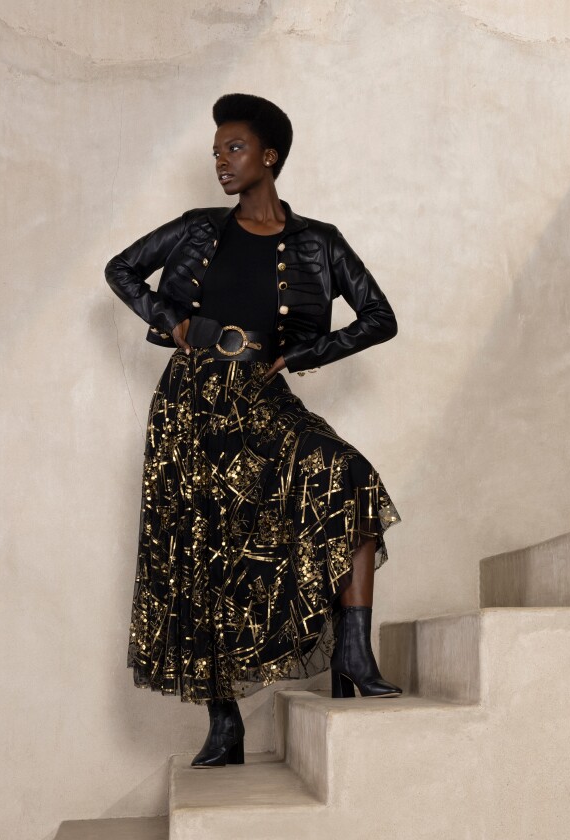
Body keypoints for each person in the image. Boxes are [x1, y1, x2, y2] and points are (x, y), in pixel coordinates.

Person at [105, 93, 402, 770]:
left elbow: (378, 315)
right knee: (201, 550)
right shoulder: (196, 229)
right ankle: (223, 724)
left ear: (269, 157)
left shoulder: (317, 242)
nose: (221, 161)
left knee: (347, 474)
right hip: (192, 401)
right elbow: (120, 269)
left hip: (263, 395)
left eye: (233, 148)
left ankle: (353, 650)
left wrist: (303, 354)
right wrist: (172, 321)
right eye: (216, 150)